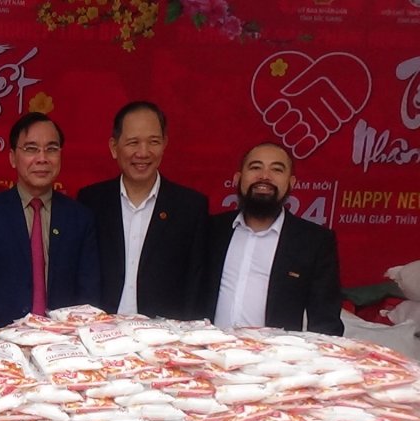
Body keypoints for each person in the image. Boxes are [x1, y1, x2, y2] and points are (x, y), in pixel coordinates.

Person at [0, 112, 100, 332]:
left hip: (63, 340)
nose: (42, 158)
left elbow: (88, 292)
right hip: (1, 339)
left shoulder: (79, 217)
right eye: (31, 149)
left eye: (51, 149)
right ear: (12, 157)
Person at [77, 101, 207, 320]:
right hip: (99, 329)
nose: (143, 152)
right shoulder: (91, 200)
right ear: (114, 147)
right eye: (133, 142)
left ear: (165, 144)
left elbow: (195, 285)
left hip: (162, 333)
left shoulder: (190, 206)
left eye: (153, 142)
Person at [205, 142, 344, 335]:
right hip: (207, 348)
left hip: (274, 353)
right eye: (255, 167)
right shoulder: (210, 230)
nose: (265, 176)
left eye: (277, 169)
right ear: (238, 178)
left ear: (291, 182)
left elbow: (325, 322)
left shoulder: (314, 241)